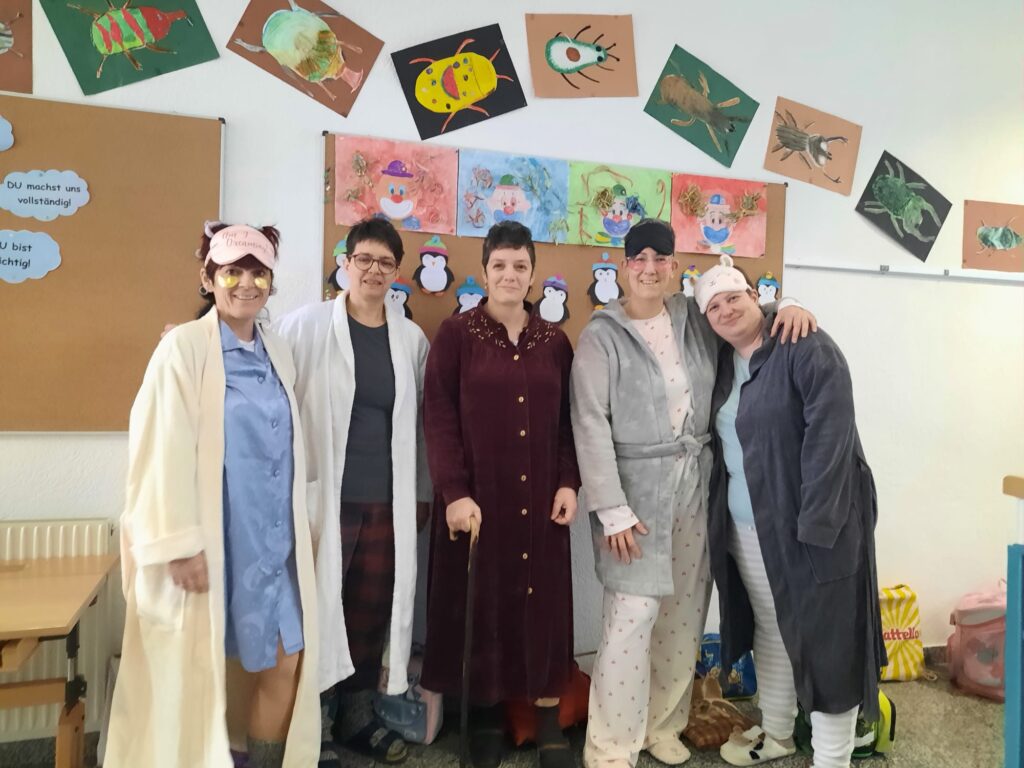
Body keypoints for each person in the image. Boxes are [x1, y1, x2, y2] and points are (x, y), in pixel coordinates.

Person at [570, 218, 816, 768]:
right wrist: (610, 509)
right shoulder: (601, 336)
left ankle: (663, 725)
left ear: (675, 267)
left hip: (696, 487)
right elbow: (588, 422)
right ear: (623, 267)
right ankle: (611, 744)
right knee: (630, 620)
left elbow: (743, 316)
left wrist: (790, 303)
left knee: (683, 617)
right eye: (639, 259)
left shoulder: (692, 318)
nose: (650, 268)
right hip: (633, 497)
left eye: (661, 259)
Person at [106, 223, 320, 768]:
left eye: (258, 272)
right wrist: (177, 542)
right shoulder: (182, 349)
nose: (246, 283)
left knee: (283, 658)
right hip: (212, 537)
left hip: (269, 539)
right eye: (232, 271)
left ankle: (251, 757)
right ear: (208, 278)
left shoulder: (277, 351)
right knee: (207, 668)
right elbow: (159, 446)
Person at [696, 255, 884, 768]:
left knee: (828, 645)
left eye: (734, 297)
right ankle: (777, 734)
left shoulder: (806, 345)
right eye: (714, 306)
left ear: (754, 296)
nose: (726, 309)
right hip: (748, 530)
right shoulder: (724, 362)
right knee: (773, 629)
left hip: (812, 533)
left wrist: (816, 529)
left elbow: (831, 437)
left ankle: (831, 759)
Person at [421, 221, 580, 768]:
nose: (510, 275)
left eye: (520, 266)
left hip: (542, 505)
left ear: (533, 274)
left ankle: (547, 720)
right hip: (478, 506)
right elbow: (437, 417)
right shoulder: (456, 335)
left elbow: (570, 421)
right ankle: (486, 715)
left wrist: (568, 480)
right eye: (499, 266)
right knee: (482, 605)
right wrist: (453, 492)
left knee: (543, 610)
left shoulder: (554, 342)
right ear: (484, 272)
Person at [273, 217, 431, 766]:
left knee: (369, 612)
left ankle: (358, 716)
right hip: (326, 501)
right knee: (321, 612)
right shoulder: (307, 325)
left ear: (397, 271)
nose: (373, 270)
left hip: (386, 503)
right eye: (364, 259)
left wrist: (422, 494)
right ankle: (314, 724)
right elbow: (268, 378)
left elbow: (422, 426)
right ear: (345, 262)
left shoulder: (410, 339)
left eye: (385, 262)